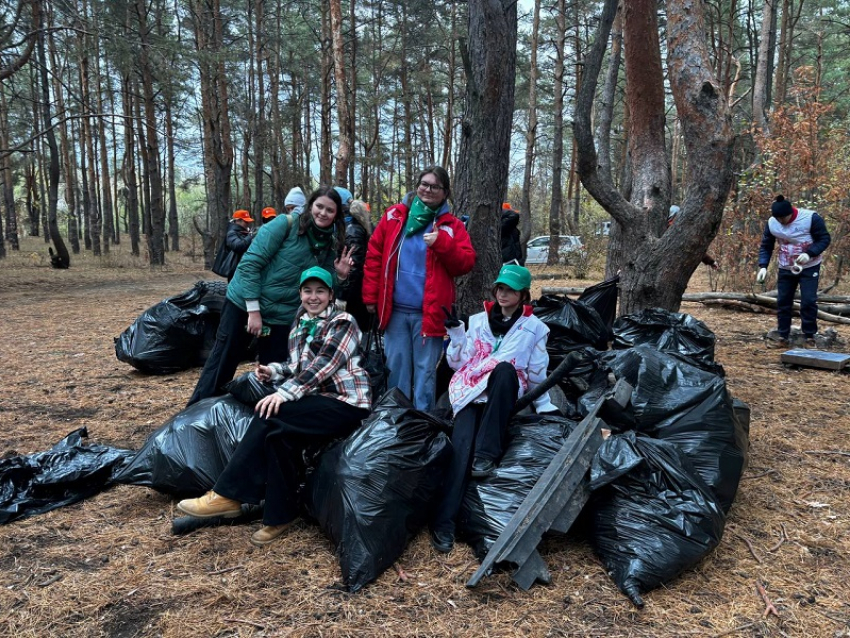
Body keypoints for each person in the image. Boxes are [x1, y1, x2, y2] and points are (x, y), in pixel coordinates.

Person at [177, 267, 371, 547]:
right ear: (300, 294)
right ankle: (280, 515)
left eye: (320, 291)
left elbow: (323, 366)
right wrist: (275, 371)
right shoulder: (301, 322)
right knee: (280, 438)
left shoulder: (343, 322)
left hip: (346, 403)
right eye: (308, 291)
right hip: (315, 401)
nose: (313, 297)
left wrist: (283, 394)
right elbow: (297, 366)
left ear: (330, 295)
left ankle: (227, 494)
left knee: (271, 411)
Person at [429, 264, 559, 553]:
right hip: (471, 391)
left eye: (510, 289)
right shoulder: (477, 321)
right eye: (500, 288)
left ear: (523, 294)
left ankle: (486, 454)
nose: (503, 294)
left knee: (504, 370)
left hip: (503, 393)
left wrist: (544, 405)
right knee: (460, 451)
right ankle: (443, 524)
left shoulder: (535, 329)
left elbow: (537, 370)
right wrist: (457, 336)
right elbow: (458, 364)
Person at [188, 186, 355, 405]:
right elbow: (250, 265)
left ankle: (262, 423)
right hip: (243, 304)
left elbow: (320, 286)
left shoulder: (331, 243)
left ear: (337, 215)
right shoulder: (284, 225)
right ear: (310, 206)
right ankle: (197, 418)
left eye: (330, 210)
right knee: (223, 362)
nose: (323, 213)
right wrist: (253, 310)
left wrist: (340, 276)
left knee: (274, 372)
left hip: (282, 315)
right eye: (319, 206)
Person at [361, 166, 476, 411]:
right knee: (397, 368)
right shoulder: (395, 217)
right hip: (395, 311)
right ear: (417, 185)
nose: (428, 190)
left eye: (435, 186)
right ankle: (395, 419)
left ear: (445, 193)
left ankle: (422, 423)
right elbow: (374, 256)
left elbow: (465, 263)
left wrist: (442, 244)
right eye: (424, 183)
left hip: (430, 313)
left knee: (425, 372)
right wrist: (370, 296)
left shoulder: (452, 226)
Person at [756, 195, 831, 347]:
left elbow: (824, 239)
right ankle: (783, 336)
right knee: (783, 301)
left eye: (783, 218)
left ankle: (809, 336)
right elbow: (766, 245)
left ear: (791, 212)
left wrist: (809, 253)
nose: (781, 221)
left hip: (809, 266)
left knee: (808, 301)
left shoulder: (810, 218)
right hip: (786, 266)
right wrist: (763, 266)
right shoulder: (772, 223)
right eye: (778, 218)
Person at [341, 199, 373, 331]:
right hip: (356, 286)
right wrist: (345, 292)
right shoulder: (355, 230)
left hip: (359, 283)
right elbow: (354, 263)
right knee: (356, 324)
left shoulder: (358, 229)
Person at [668, 205, 718, 270]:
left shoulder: (680, 232)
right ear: (671, 217)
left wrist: (711, 262)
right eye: (676, 217)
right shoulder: (662, 231)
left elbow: (694, 248)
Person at [212, 209, 255, 281]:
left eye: (248, 222)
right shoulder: (231, 233)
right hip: (235, 272)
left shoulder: (244, 232)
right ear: (238, 221)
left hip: (243, 269)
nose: (248, 223)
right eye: (246, 221)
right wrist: (251, 236)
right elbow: (237, 246)